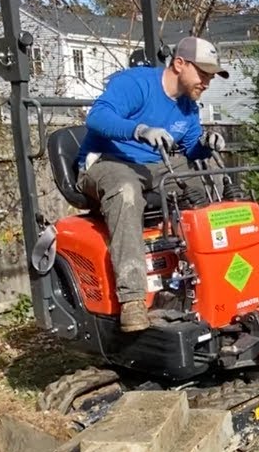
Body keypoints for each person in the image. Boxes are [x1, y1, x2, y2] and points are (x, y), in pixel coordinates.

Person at [77, 36, 230, 332]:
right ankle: (133, 300)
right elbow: (97, 117)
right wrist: (139, 129)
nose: (207, 82)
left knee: (196, 188)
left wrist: (206, 144)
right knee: (126, 191)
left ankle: (204, 282)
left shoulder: (188, 107)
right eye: (203, 73)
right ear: (179, 64)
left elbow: (189, 147)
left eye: (211, 76)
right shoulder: (136, 84)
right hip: (107, 162)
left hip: (155, 167)